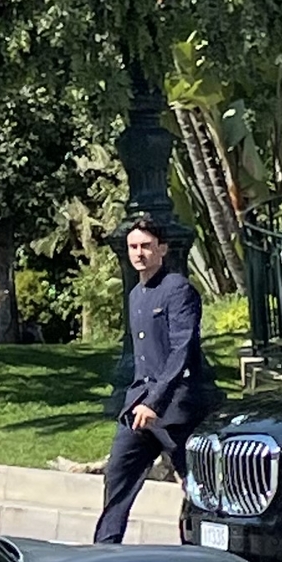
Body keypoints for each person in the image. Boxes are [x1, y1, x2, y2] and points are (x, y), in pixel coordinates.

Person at [93, 211, 218, 544]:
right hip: (138, 406)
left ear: (162, 249)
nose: (138, 253)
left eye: (146, 246)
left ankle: (203, 546)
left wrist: (157, 402)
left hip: (174, 409)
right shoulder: (135, 295)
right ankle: (104, 549)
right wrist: (140, 401)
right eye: (133, 246)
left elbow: (182, 350)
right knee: (118, 475)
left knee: (195, 484)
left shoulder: (178, 290)